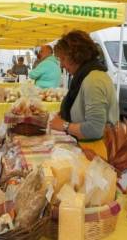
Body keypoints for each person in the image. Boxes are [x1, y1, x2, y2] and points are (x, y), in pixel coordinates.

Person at [49, 30, 118, 160]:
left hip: (94, 154)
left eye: (63, 58)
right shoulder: (85, 76)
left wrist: (64, 125)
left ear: (76, 55)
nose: (62, 65)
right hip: (86, 149)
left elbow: (95, 128)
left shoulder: (94, 80)